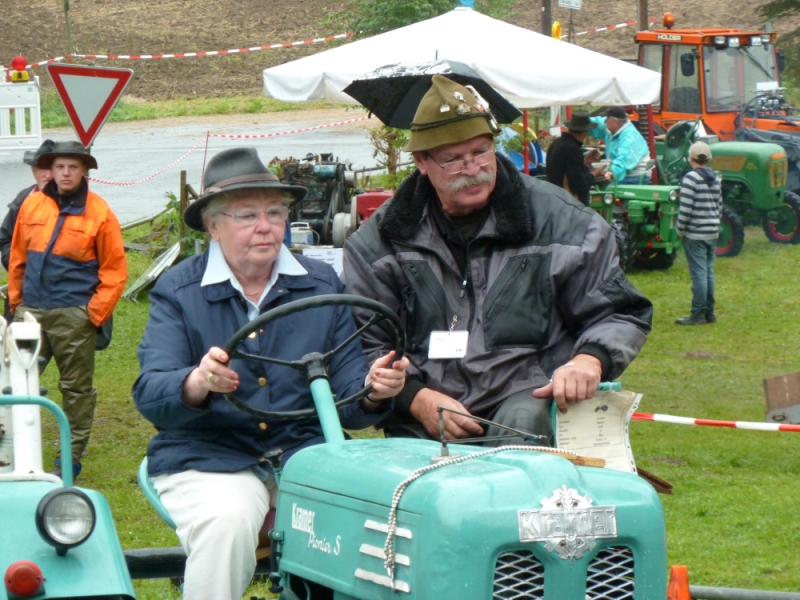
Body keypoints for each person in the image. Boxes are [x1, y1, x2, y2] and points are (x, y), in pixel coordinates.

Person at [132, 147, 409, 600]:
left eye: (275, 213)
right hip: (209, 454)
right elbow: (151, 392)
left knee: (381, 516)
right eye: (247, 215)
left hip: (306, 453)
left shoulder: (322, 284)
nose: (265, 226)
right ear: (213, 226)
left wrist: (374, 390)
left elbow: (347, 400)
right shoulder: (179, 290)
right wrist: (198, 382)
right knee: (226, 521)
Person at [343, 75, 652, 446]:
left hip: (529, 398)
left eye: (481, 151)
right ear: (422, 161)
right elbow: (366, 342)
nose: (473, 169)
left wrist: (589, 360)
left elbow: (619, 313)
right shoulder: (379, 241)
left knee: (522, 426)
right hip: (423, 411)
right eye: (453, 160)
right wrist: (415, 398)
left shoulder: (564, 222)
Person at [8, 140, 127, 479]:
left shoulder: (99, 212)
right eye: (59, 166)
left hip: (74, 314)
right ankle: (10, 450)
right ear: (50, 169)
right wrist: (17, 303)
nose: (65, 173)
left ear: (84, 170)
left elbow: (115, 270)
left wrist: (92, 315)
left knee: (76, 390)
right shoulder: (32, 204)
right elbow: (17, 257)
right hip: (30, 313)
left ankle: (69, 457)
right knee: (15, 383)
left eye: (73, 167)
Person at [675, 141, 722, 325]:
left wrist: (680, 230)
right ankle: (710, 313)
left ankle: (698, 314)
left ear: (691, 158)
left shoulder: (690, 178)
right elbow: (719, 206)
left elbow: (686, 209)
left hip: (695, 233)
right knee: (708, 272)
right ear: (708, 159)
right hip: (712, 231)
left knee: (699, 275)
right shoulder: (715, 178)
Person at [0, 139, 55, 271]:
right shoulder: (23, 198)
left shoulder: (73, 201)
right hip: (26, 277)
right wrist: (16, 263)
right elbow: (4, 238)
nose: (47, 175)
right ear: (33, 171)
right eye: (42, 168)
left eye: (52, 169)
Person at [545, 111, 600, 206]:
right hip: (569, 205)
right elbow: (578, 185)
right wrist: (594, 174)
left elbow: (565, 169)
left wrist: (585, 161)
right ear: (585, 131)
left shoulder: (557, 143)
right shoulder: (572, 149)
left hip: (555, 199)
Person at [588, 106, 652, 184]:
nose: (605, 120)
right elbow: (596, 122)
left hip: (634, 175)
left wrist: (612, 172)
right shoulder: (611, 126)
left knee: (608, 190)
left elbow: (624, 159)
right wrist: (578, 122)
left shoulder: (629, 136)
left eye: (607, 118)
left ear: (615, 121)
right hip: (620, 170)